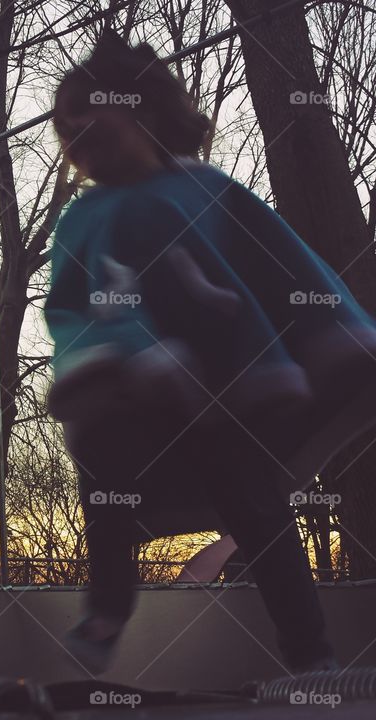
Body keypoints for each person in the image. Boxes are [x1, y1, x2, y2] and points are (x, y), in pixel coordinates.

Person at [45, 27, 376, 676]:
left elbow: (281, 263)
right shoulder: (78, 220)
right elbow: (69, 305)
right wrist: (106, 356)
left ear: (143, 115)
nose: (80, 135)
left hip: (226, 389)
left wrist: (335, 338)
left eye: (96, 122)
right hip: (132, 393)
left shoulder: (201, 190)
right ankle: (108, 605)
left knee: (252, 501)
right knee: (102, 476)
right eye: (69, 131)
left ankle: (311, 656)